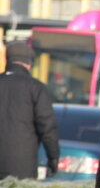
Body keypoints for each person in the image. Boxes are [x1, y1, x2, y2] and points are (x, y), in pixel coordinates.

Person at [0, 41, 59, 179]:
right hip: (21, 167)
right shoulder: (36, 88)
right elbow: (47, 127)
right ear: (28, 63)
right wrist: (53, 159)